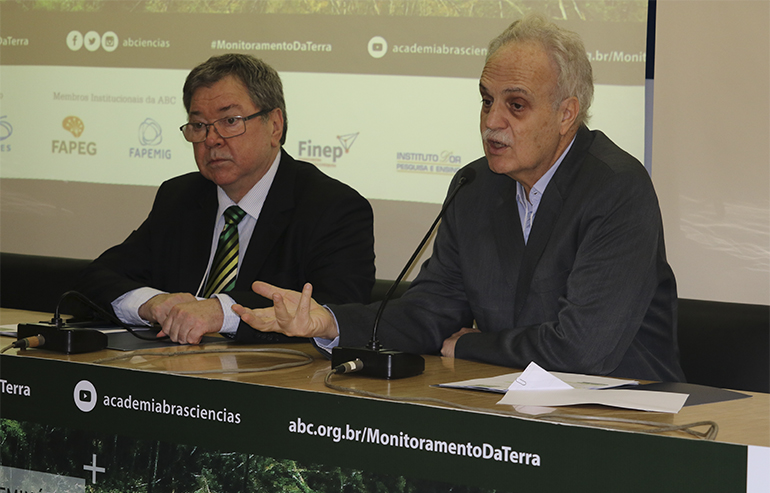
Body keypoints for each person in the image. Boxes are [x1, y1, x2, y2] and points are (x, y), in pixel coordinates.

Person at [232, 15, 685, 382]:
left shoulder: (615, 188)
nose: (491, 121)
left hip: (626, 417)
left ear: (566, 114)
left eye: (516, 105)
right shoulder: (476, 186)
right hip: (515, 405)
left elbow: (583, 349)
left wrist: (470, 344)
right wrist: (327, 323)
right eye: (487, 100)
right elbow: (429, 312)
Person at [76, 54, 375, 345]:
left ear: (275, 125)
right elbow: (96, 280)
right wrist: (151, 304)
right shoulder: (179, 198)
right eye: (198, 125)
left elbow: (337, 313)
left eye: (230, 121)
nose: (211, 139)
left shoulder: (333, 208)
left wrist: (222, 313)